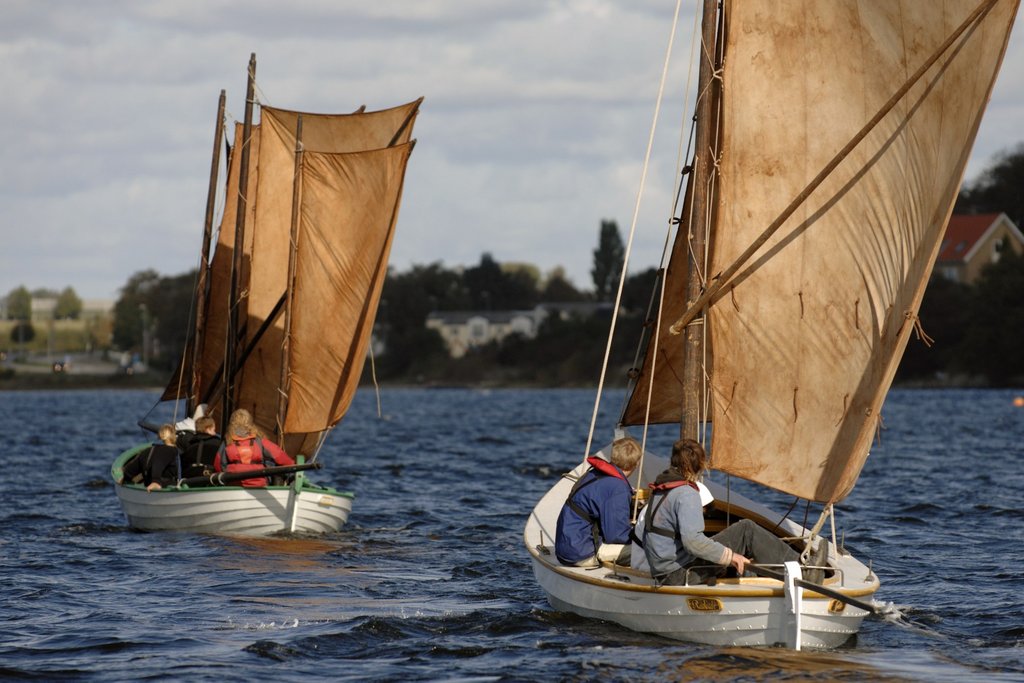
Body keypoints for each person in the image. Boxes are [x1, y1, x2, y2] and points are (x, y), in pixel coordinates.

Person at [636, 438, 826, 585]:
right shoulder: (686, 494)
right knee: (746, 530)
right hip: (678, 575)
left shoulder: (662, 488)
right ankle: (805, 573)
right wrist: (731, 556)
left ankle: (771, 572)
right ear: (698, 465)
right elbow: (693, 542)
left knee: (735, 541)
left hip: (664, 571)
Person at [555, 436, 642, 568]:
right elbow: (616, 536)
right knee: (648, 549)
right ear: (636, 464)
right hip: (581, 553)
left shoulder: (595, 473)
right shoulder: (618, 488)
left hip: (566, 547)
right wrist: (641, 533)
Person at [214, 408, 295, 487]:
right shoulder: (260, 442)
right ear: (250, 423)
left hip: (234, 484)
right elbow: (280, 456)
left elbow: (218, 466)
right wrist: (293, 465)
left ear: (232, 423)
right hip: (258, 484)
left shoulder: (227, 442)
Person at [119, 424, 180, 492]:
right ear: (174, 437)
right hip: (164, 487)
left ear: (159, 436)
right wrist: (155, 481)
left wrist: (125, 479)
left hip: (148, 487)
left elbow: (129, 471)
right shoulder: (172, 451)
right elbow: (158, 463)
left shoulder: (147, 451)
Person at [177, 415, 220, 479]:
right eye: (214, 430)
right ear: (208, 429)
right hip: (210, 479)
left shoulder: (189, 446)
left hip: (190, 480)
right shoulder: (217, 444)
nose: (215, 433)